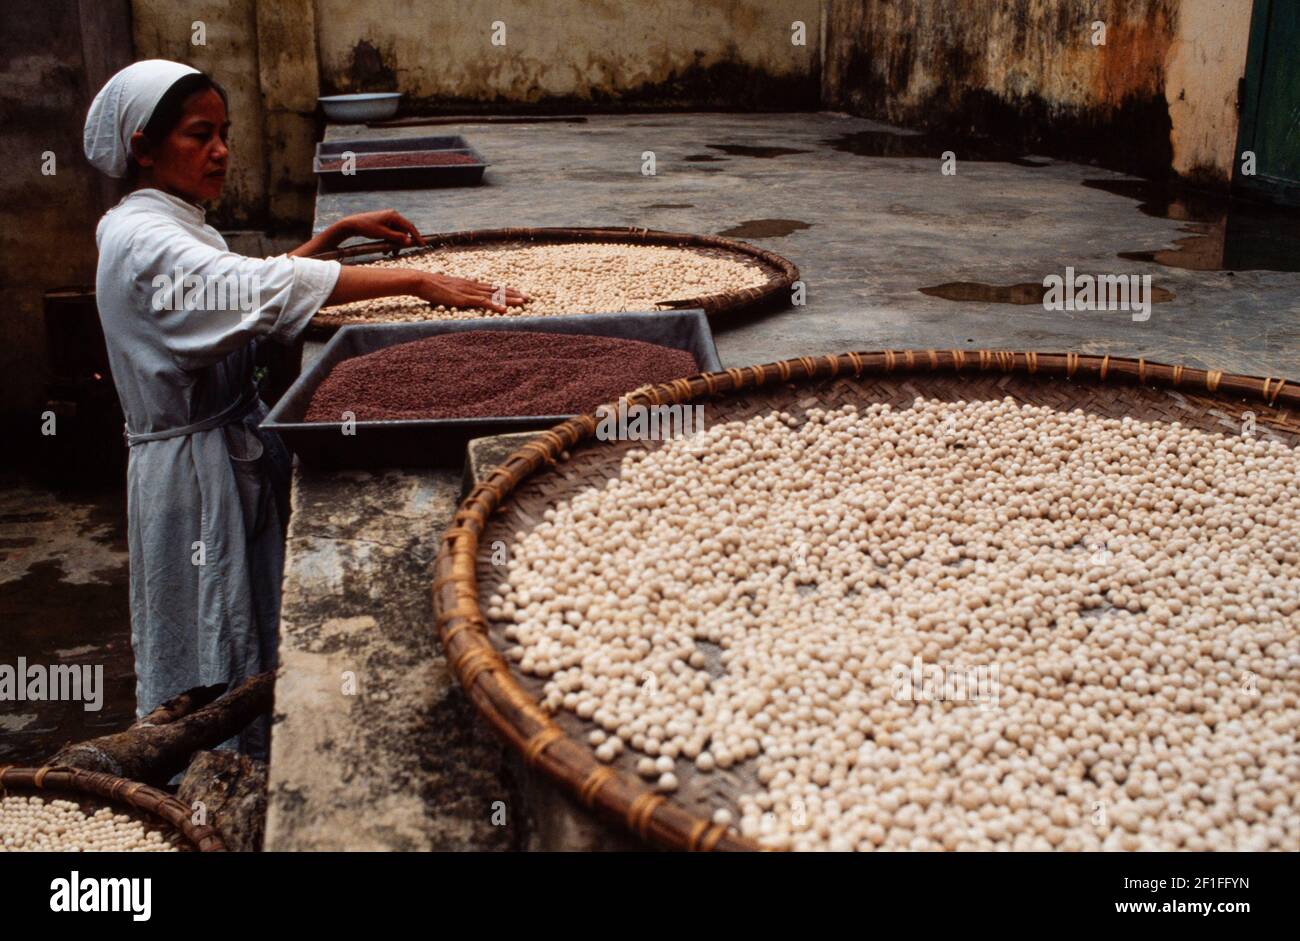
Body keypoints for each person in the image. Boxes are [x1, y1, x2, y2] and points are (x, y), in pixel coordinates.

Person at [82, 59, 528, 757]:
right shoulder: (146, 243)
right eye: (201, 135)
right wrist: (414, 278)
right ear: (143, 145)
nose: (221, 151)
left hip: (211, 452)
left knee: (243, 622)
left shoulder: (157, 221)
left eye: (224, 133)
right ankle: (216, 775)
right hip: (196, 476)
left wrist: (331, 236)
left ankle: (241, 758)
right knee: (215, 634)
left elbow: (237, 293)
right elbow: (243, 291)